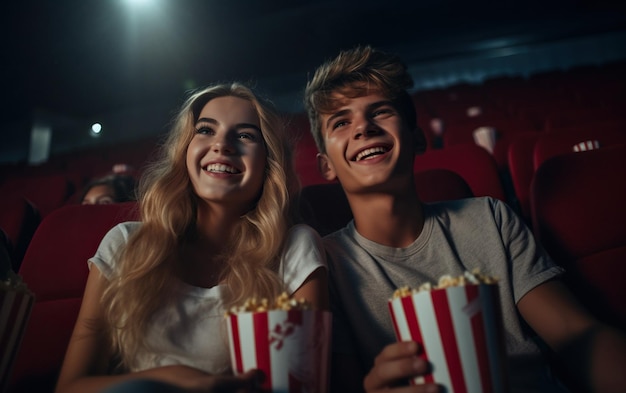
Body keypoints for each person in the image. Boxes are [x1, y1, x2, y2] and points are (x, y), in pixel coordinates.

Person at [303, 46, 626, 393]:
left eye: (380, 112)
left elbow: (578, 335)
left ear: (416, 139)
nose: (363, 128)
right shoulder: (325, 267)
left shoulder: (491, 217)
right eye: (341, 122)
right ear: (326, 166)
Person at [55, 83, 328, 393]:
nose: (222, 145)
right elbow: (69, 386)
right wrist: (170, 381)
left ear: (269, 163)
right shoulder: (126, 244)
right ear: (185, 149)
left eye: (245, 135)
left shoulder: (294, 247)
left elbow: (305, 384)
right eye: (206, 130)